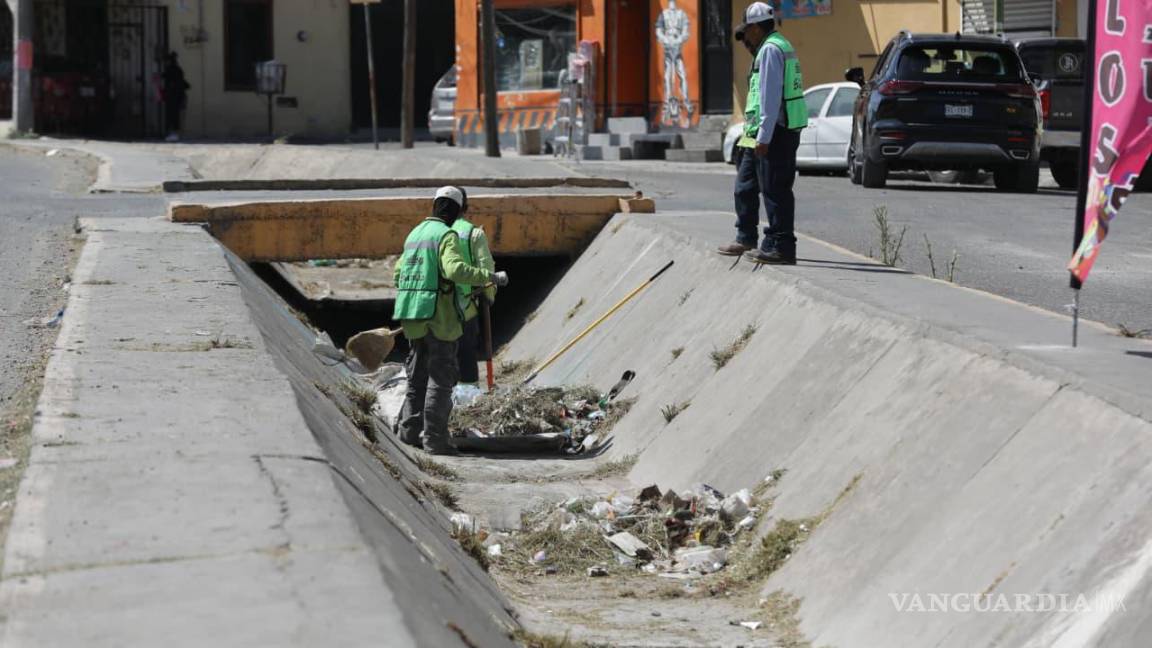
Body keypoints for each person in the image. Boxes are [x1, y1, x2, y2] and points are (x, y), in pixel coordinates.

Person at [393, 187, 509, 455]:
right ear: (457, 211)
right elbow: (454, 269)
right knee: (441, 377)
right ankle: (435, 439)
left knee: (417, 375)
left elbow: (398, 274)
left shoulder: (415, 234)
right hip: (439, 317)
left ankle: (409, 431)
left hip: (412, 315)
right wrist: (488, 277)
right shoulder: (446, 235)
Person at [717, 2, 807, 265]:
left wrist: (764, 137)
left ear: (756, 27)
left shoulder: (770, 49)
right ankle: (745, 236)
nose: (744, 39)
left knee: (775, 190)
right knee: (745, 186)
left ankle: (781, 246)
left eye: (746, 32)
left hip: (774, 132)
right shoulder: (770, 48)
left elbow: (770, 98)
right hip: (756, 132)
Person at [448, 186, 498, 387]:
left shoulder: (432, 232)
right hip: (464, 309)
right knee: (465, 354)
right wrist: (489, 295)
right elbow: (487, 272)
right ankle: (468, 399)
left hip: (432, 310)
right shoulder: (473, 234)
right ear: (465, 207)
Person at [655, 0, 691, 126]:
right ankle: (667, 102)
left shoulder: (682, 14)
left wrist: (678, 40)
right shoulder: (663, 14)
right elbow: (658, 30)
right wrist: (665, 40)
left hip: (677, 46)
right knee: (667, 77)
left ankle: (686, 102)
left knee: (681, 75)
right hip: (667, 48)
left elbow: (686, 30)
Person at [163, 52, 190, 142]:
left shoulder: (171, 70)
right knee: (176, 115)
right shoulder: (178, 69)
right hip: (177, 95)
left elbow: (168, 79)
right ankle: (175, 133)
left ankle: (173, 134)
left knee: (172, 115)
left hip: (173, 96)